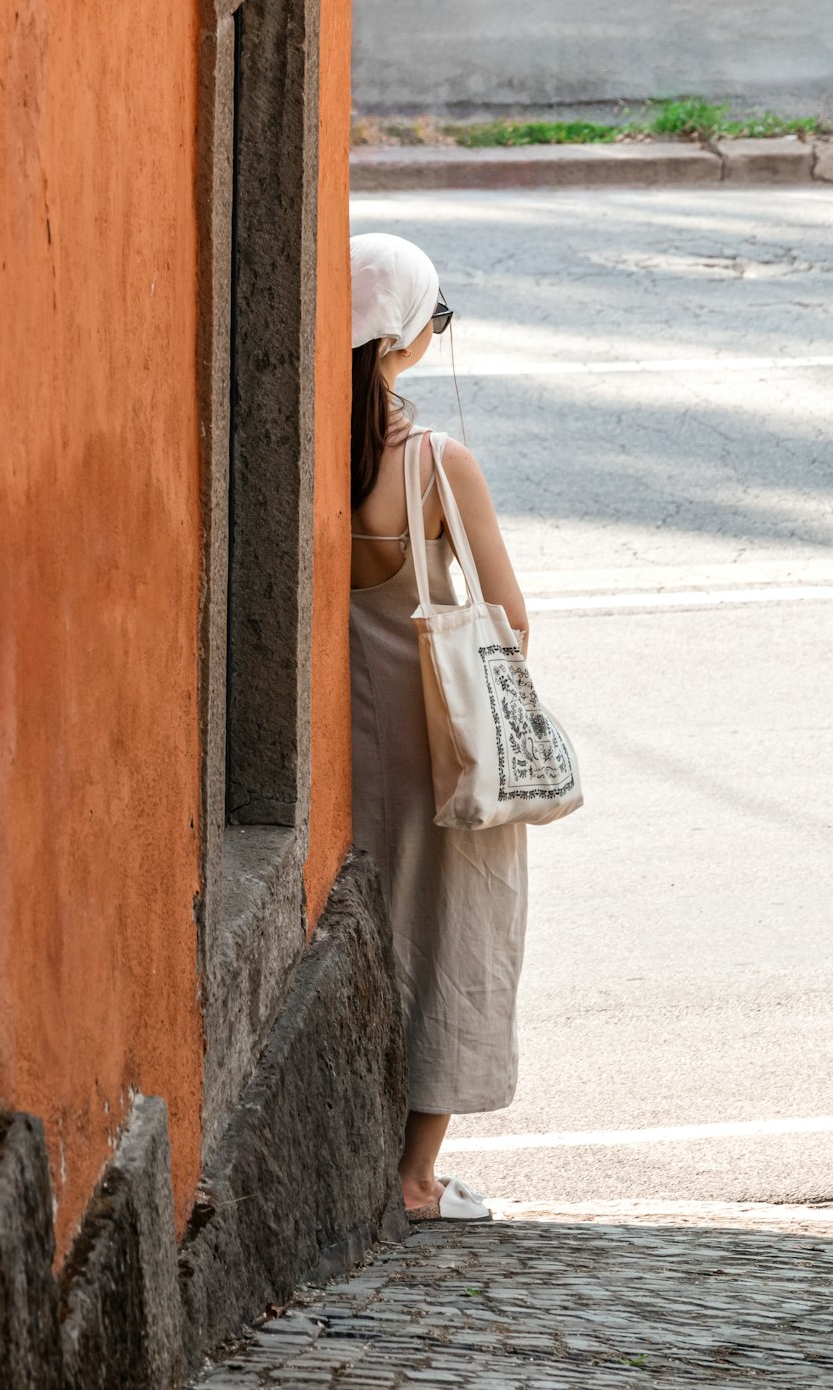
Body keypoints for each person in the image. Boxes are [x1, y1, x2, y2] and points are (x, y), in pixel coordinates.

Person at [349, 232, 530, 1222]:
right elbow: (509, 622)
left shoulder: (303, 454)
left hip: (339, 737)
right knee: (454, 935)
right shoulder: (432, 463)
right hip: (440, 741)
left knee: (369, 927)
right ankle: (415, 1177)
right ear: (410, 338)